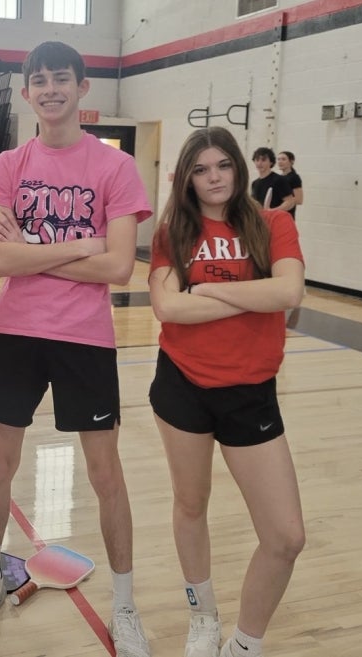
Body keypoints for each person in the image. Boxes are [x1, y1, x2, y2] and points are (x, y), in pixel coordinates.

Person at [0, 41, 153, 657]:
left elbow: (121, 267)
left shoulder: (114, 168)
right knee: (0, 464)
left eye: (60, 79)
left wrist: (40, 254)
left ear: (81, 88)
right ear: (26, 92)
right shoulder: (9, 166)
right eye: (38, 81)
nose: (49, 89)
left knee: (105, 474)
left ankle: (124, 604)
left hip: (85, 340)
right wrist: (82, 247)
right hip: (16, 333)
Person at [147, 127, 306, 657]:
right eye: (200, 169)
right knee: (191, 505)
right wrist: (253, 297)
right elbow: (169, 309)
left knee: (286, 537)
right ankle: (203, 616)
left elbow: (288, 291)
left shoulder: (273, 222)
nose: (213, 177)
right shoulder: (174, 231)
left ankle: (244, 644)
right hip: (183, 386)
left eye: (223, 166)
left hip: (251, 392)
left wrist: (210, 288)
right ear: (187, 178)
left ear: (239, 169)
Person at [249, 147, 294, 214]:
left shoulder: (279, 180)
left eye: (263, 160)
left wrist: (272, 211)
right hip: (260, 221)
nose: (259, 163)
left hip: (275, 220)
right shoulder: (254, 183)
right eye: (257, 160)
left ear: (271, 162)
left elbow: (290, 202)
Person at [275, 151, 302, 220]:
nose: (280, 162)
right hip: (277, 214)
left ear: (291, 162)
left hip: (287, 215)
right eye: (278, 159)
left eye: (283, 159)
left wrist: (286, 203)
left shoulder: (294, 177)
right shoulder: (279, 178)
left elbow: (299, 200)